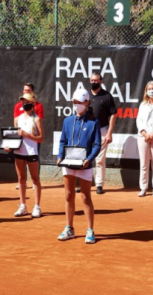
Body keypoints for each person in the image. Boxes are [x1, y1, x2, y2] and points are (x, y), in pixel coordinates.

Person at [57, 88, 101, 244]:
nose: (76, 105)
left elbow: (97, 144)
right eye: (74, 102)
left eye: (79, 102)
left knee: (85, 196)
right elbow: (63, 141)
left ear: (87, 102)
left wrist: (89, 159)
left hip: (84, 165)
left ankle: (90, 230)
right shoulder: (67, 121)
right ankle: (69, 228)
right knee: (69, 195)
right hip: (68, 163)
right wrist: (59, 156)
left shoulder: (93, 122)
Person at [6, 92, 44, 218]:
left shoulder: (37, 119)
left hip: (32, 152)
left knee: (35, 179)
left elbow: (41, 138)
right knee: (21, 179)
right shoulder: (17, 119)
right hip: (19, 152)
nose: (25, 104)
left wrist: (27, 135)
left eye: (27, 102)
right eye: (23, 102)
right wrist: (9, 146)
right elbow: (14, 137)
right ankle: (23, 206)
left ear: (33, 103)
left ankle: (37, 206)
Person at [88, 73, 117, 195]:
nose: (94, 82)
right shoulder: (86, 95)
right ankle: (86, 183)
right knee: (86, 157)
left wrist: (109, 133)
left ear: (101, 82)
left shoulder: (107, 96)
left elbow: (113, 114)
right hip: (87, 130)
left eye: (96, 80)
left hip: (102, 130)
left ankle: (99, 185)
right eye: (92, 80)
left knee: (100, 159)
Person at [13, 83, 45, 191]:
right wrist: (15, 138)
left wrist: (29, 135)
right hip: (21, 143)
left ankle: (35, 182)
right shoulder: (18, 106)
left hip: (33, 142)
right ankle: (22, 182)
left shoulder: (38, 106)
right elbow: (16, 124)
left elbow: (37, 124)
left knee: (35, 161)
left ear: (32, 92)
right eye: (25, 90)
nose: (26, 91)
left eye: (28, 90)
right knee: (21, 165)